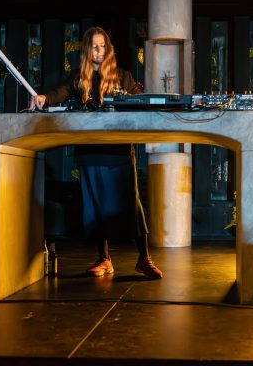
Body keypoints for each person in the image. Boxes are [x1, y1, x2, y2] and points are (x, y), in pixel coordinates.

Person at [31, 26, 163, 279]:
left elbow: (139, 100)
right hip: (90, 151)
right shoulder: (78, 79)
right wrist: (44, 98)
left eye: (103, 46)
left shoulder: (123, 76)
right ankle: (104, 259)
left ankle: (144, 259)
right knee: (95, 205)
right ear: (87, 50)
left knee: (131, 204)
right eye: (95, 46)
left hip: (119, 152)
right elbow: (59, 93)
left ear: (109, 49)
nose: (99, 50)